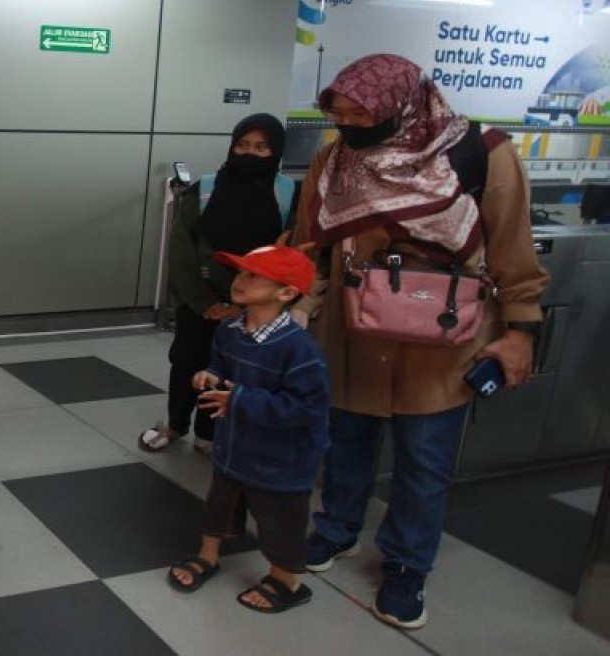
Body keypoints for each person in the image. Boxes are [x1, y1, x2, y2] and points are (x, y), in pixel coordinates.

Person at [290, 54, 550, 629]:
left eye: (364, 115)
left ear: (402, 104)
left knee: (425, 458)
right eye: (342, 115)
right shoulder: (335, 159)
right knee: (344, 439)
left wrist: (520, 333)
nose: (352, 126)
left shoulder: (480, 153)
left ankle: (407, 565)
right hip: (351, 331)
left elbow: (513, 250)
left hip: (441, 337)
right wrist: (295, 309)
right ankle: (336, 530)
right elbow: (311, 249)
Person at [165, 245, 330, 614]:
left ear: (286, 293)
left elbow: (306, 408)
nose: (240, 281)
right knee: (219, 505)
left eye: (253, 276)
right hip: (234, 445)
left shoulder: (300, 349)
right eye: (240, 273)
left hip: (282, 460)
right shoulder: (229, 329)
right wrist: (212, 375)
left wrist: (238, 399)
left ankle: (287, 579)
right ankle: (208, 556)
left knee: (279, 521)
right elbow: (220, 365)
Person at [139, 114, 297, 455]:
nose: (249, 154)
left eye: (260, 147)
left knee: (233, 368)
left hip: (255, 304)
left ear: (276, 151)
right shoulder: (207, 188)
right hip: (202, 299)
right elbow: (181, 247)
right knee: (187, 361)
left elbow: (287, 253)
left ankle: (209, 435)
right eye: (241, 145)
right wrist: (201, 301)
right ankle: (176, 423)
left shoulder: (286, 193)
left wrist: (246, 304)